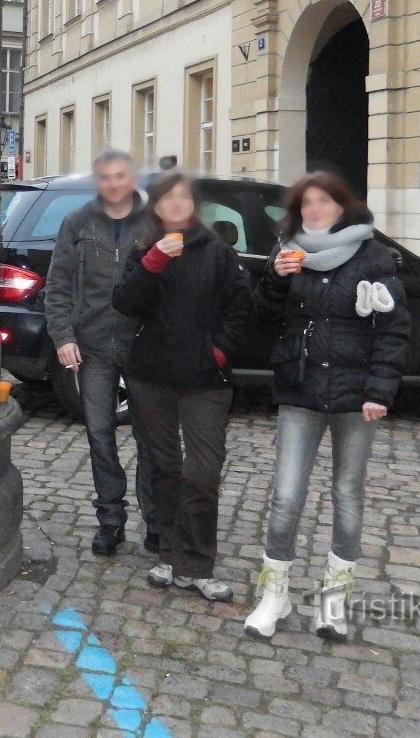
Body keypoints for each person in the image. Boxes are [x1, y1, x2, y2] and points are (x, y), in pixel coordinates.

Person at [243, 172, 411, 640]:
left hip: (355, 398)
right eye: (307, 203)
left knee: (347, 496)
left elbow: (394, 329)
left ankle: (333, 604)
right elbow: (261, 320)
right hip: (300, 389)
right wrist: (275, 281)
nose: (314, 210)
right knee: (286, 496)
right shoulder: (287, 253)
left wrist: (379, 391)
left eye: (324, 201)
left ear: (343, 206)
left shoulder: (373, 257)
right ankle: (273, 596)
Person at [111, 172, 252, 602]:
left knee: (203, 471)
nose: (175, 204)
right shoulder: (144, 251)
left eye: (183, 197)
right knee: (164, 467)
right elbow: (125, 303)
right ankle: (170, 556)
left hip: (204, 380)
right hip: (151, 376)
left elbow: (241, 311)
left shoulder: (218, 253)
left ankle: (198, 563)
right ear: (156, 207)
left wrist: (218, 353)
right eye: (167, 198)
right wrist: (153, 263)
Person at [44, 149, 157, 557]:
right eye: (105, 177)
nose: (113, 184)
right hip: (92, 345)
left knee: (151, 437)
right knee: (99, 434)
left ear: (132, 179)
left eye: (120, 176)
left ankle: (156, 521)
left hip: (142, 346)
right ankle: (110, 520)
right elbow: (57, 285)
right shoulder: (77, 222)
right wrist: (63, 336)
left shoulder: (154, 222)